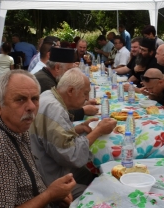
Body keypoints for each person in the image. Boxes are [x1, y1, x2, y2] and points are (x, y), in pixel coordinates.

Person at [0, 70, 75, 207]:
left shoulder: (14, 126)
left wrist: (53, 194)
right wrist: (49, 194)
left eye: (35, 99)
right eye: (20, 99)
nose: (31, 107)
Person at [30, 68, 117, 199]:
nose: (87, 98)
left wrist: (79, 128)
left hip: (44, 160)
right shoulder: (55, 110)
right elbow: (71, 155)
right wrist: (98, 131)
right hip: (46, 177)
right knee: (99, 196)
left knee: (89, 173)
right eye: (85, 94)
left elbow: (52, 135)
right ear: (70, 91)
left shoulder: (49, 94)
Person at [34, 47, 98, 120]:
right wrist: (83, 111)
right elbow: (60, 113)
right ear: (57, 68)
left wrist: (82, 103)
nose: (71, 74)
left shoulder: (50, 76)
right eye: (69, 70)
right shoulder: (45, 82)